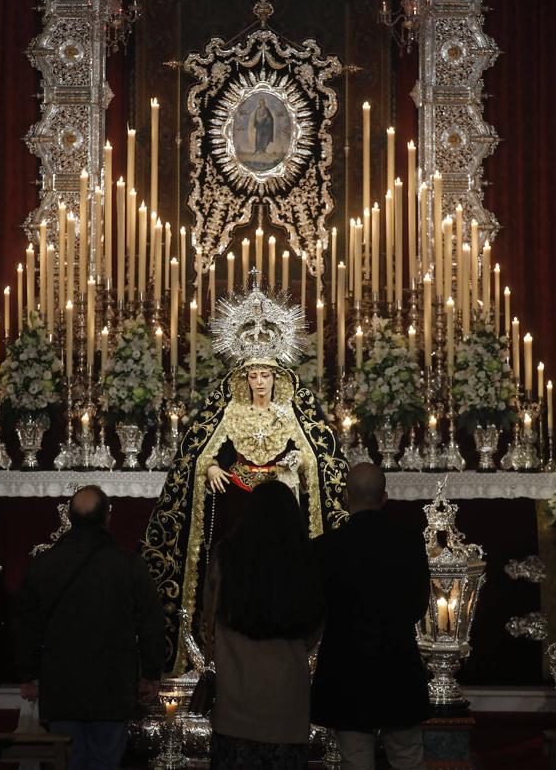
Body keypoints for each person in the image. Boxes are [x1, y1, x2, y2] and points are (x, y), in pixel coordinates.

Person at [142, 284, 348, 674]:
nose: (259, 382)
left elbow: (315, 457)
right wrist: (211, 468)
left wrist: (293, 466)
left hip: (282, 506)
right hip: (236, 501)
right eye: (253, 374)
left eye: (265, 375)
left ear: (276, 378)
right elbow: (199, 453)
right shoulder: (230, 410)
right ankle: (215, 649)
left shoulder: (291, 413)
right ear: (244, 378)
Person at [15, 485, 165, 770]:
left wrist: (27, 673)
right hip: (112, 687)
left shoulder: (44, 564)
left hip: (62, 686)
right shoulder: (128, 565)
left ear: (70, 518)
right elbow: (151, 621)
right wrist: (151, 673)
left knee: (68, 760)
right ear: (107, 518)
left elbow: (25, 622)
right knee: (106, 760)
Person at [311, 463, 430, 770]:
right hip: (398, 663)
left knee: (355, 760)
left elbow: (318, 610)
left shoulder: (325, 548)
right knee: (408, 757)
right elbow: (418, 605)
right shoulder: (410, 543)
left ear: (346, 498)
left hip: (345, 667)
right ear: (384, 497)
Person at [205, 480, 324, 770]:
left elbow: (209, 618)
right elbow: (315, 625)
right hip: (287, 704)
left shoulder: (226, 556)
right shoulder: (307, 558)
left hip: (236, 697)